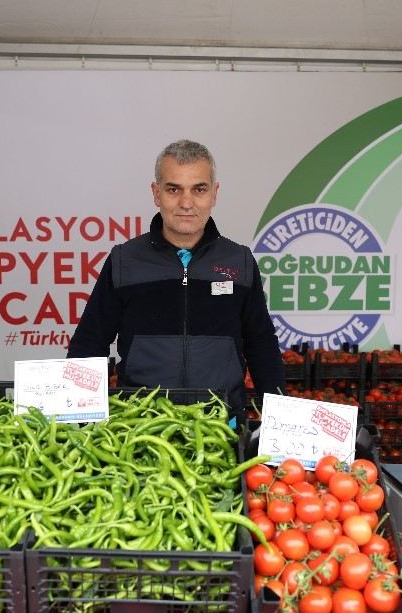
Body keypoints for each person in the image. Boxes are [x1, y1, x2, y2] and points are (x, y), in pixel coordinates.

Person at [67, 139, 285, 420]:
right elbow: (90, 342)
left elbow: (261, 344)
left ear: (214, 194)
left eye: (199, 189)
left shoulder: (239, 261)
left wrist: (280, 418)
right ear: (156, 193)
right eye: (173, 189)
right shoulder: (125, 260)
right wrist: (76, 418)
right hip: (140, 425)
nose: (186, 203)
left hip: (221, 424)